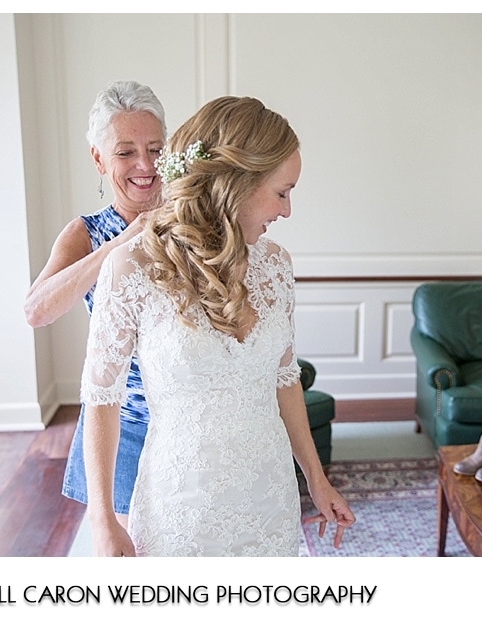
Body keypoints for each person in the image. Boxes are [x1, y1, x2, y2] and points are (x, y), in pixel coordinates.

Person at [81, 96, 355, 556]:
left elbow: (285, 381)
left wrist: (316, 479)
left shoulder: (275, 267)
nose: (287, 212)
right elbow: (101, 398)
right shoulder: (130, 268)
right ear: (236, 186)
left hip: (270, 499)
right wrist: (103, 517)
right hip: (179, 506)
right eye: (282, 192)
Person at [25, 80, 166, 528]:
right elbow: (36, 310)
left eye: (156, 149)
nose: (145, 165)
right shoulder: (84, 233)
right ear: (99, 158)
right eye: (125, 152)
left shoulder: (194, 221)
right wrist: (122, 242)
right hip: (121, 424)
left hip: (192, 419)